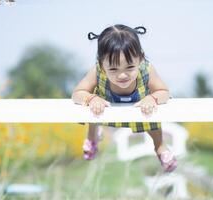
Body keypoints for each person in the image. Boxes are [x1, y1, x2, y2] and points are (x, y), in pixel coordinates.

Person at [72, 24, 177, 172]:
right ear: (102, 64)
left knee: (152, 119)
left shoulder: (147, 69)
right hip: (104, 105)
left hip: (139, 105)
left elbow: (164, 91)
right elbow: (78, 93)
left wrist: (152, 98)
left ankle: (160, 146)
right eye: (113, 69)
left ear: (140, 59)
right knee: (92, 112)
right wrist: (91, 99)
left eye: (129, 68)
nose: (122, 75)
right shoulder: (97, 71)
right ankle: (92, 137)